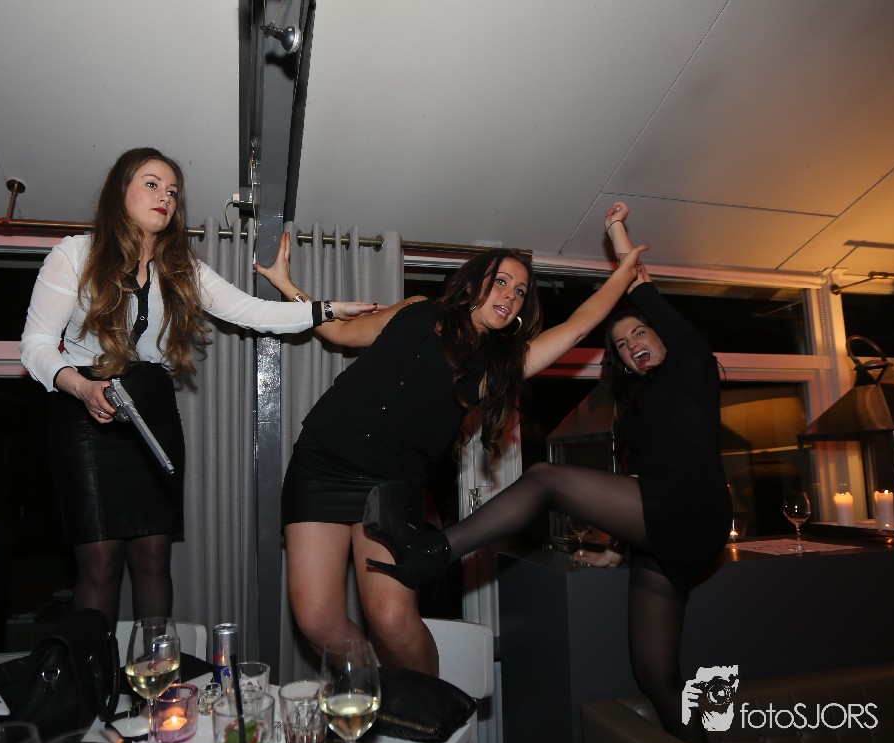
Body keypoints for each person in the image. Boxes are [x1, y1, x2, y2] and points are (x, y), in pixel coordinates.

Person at [363, 202, 730, 743]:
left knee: (544, 479)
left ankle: (434, 551)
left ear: (664, 334)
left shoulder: (693, 365)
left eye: (640, 334)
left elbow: (642, 284)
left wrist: (616, 232)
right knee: (655, 673)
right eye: (622, 346)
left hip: (694, 510)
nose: (633, 346)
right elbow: (641, 481)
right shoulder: (640, 405)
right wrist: (619, 550)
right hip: (667, 532)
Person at [255, 210, 648, 674]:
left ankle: (432, 706)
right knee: (316, 620)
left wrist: (622, 274)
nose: (511, 296)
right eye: (502, 282)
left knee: (392, 620)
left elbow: (578, 326)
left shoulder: (502, 364)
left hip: (391, 484)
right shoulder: (416, 308)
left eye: (520, 292)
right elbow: (338, 330)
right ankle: (370, 697)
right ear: (475, 282)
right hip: (321, 463)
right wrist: (287, 284)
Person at [20, 147, 379, 626]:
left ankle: (158, 672)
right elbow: (36, 346)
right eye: (152, 184)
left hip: (153, 410)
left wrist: (327, 309)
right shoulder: (74, 254)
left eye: (172, 191)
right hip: (85, 412)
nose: (165, 197)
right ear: (119, 190)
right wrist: (82, 388)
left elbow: (254, 312)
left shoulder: (181, 267)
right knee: (100, 564)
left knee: (153, 559)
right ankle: (93, 673)